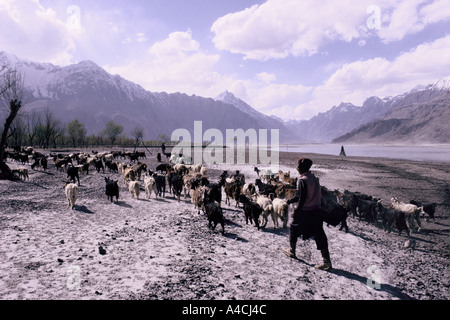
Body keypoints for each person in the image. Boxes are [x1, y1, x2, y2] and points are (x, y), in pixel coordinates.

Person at [282, 158, 332, 271]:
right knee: (320, 234)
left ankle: (292, 250)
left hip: (306, 211)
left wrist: (296, 210)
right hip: (316, 210)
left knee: (293, 228)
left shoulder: (303, 180)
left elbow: (301, 197)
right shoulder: (314, 178)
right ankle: (326, 261)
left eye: (298, 166)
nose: (296, 168)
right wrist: (289, 201)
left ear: (302, 168)